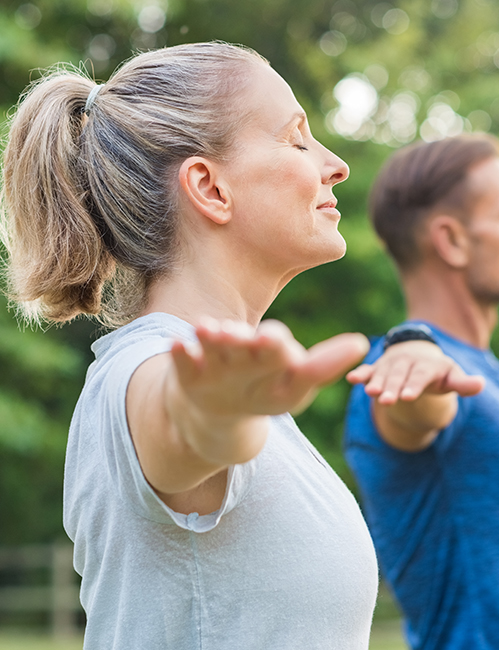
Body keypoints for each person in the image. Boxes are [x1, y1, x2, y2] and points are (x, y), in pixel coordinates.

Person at [0, 42, 379, 649]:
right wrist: (214, 411)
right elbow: (178, 422)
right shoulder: (145, 370)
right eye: (297, 139)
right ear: (210, 187)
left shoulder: (245, 394)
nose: (336, 165)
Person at [343, 134, 499, 650]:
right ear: (451, 240)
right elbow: (416, 406)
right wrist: (413, 355)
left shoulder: (484, 374)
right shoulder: (403, 372)